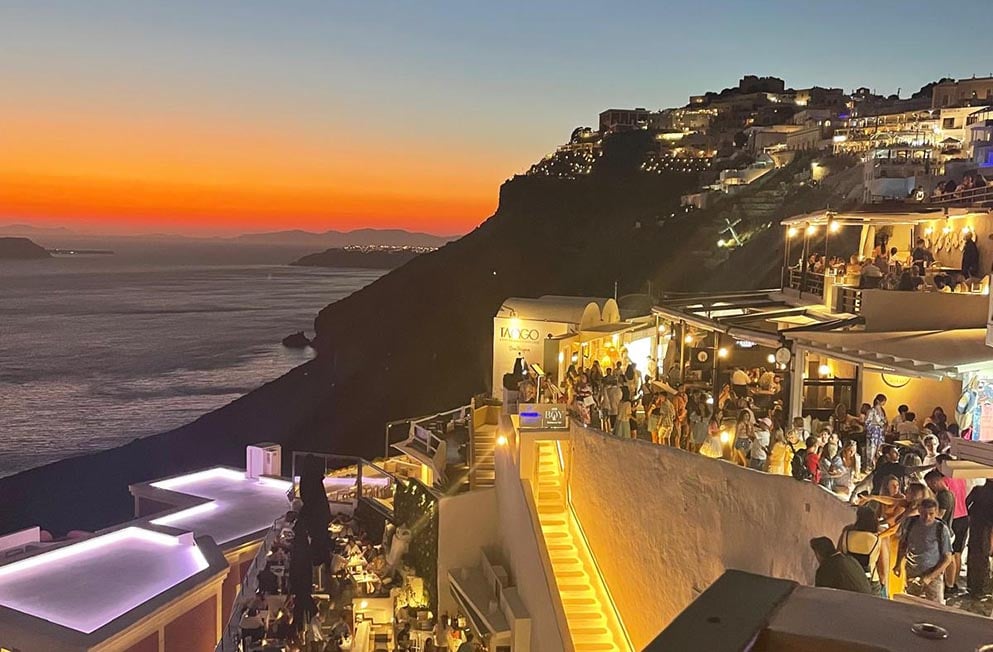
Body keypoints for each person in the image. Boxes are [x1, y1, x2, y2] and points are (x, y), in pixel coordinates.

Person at [894, 497, 953, 604]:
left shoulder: (941, 529)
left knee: (935, 607)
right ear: (919, 511)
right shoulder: (910, 523)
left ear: (936, 512)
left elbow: (947, 558)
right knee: (911, 605)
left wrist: (930, 577)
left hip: (933, 573)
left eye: (931, 514)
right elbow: (903, 545)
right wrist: (898, 564)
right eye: (924, 513)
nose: (927, 517)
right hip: (912, 572)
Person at [838, 506, 889, 597]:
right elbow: (883, 569)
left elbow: (838, 558)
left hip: (848, 578)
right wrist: (883, 583)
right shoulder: (878, 539)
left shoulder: (846, 534)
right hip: (870, 582)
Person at [966, 480, 993, 597]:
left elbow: (966, 503)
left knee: (974, 556)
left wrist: (972, 515)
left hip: (976, 527)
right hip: (988, 529)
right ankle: (982, 588)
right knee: (983, 558)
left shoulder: (977, 490)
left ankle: (973, 585)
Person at [865, 394, 887, 469]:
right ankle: (870, 466)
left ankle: (879, 465)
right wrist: (874, 426)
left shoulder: (882, 411)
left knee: (879, 449)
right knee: (871, 450)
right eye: (883, 401)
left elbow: (885, 421)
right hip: (873, 432)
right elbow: (867, 422)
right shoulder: (871, 411)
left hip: (880, 433)